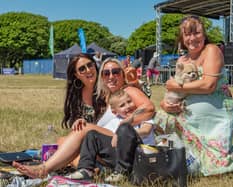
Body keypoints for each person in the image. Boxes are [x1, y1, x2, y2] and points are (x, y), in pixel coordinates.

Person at [13, 57, 155, 179]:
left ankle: (43, 169)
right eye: (106, 73)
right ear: (102, 77)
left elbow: (149, 108)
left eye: (116, 72)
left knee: (85, 130)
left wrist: (125, 124)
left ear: (122, 74)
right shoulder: (110, 97)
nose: (111, 76)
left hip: (126, 144)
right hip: (109, 146)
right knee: (63, 140)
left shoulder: (128, 91)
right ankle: (97, 170)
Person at [157, 15, 233, 176]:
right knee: (161, 122)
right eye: (187, 34)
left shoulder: (212, 50)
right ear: (182, 38)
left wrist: (175, 85)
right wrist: (165, 104)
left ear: (204, 34)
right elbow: (175, 91)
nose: (192, 38)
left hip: (215, 117)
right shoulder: (182, 60)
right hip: (187, 117)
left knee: (216, 167)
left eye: (196, 33)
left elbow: (208, 85)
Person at [66, 89, 155, 181]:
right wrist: (85, 123)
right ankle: (86, 170)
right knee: (92, 134)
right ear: (115, 112)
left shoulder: (142, 117)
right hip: (120, 157)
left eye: (129, 101)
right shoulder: (115, 121)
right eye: (122, 105)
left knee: (124, 128)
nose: (128, 106)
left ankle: (122, 172)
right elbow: (102, 135)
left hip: (140, 155)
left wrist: (124, 132)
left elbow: (146, 130)